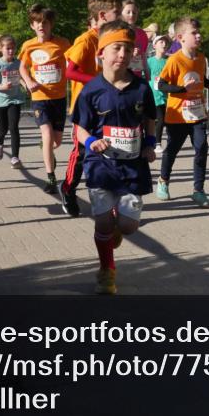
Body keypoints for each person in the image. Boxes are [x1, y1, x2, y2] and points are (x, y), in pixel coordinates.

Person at [71, 19, 157, 294]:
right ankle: (107, 270)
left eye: (128, 49)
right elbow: (79, 128)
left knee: (129, 227)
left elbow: (149, 120)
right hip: (101, 166)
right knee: (103, 221)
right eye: (117, 48)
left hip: (133, 166)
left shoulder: (142, 88)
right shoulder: (91, 90)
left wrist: (151, 142)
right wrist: (92, 141)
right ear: (102, 53)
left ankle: (118, 231)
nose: (123, 54)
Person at [60, 0, 120, 216]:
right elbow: (70, 72)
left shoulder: (111, 39)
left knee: (110, 151)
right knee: (83, 151)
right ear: (103, 15)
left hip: (107, 105)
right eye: (116, 13)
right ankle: (68, 188)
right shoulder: (86, 40)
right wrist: (98, 82)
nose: (120, 16)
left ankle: (111, 203)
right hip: (84, 107)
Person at [155, 16, 209, 207]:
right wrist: (182, 89)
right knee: (172, 151)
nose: (199, 36)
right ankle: (163, 181)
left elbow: (199, 78)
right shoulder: (175, 60)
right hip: (177, 116)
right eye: (194, 33)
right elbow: (161, 85)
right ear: (181, 37)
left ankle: (198, 191)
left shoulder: (201, 58)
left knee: (201, 148)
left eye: (199, 32)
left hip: (198, 114)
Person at [18, 4, 71, 195]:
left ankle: (46, 148)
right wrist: (29, 81)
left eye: (45, 22)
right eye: (37, 22)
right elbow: (22, 67)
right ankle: (50, 177)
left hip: (59, 97)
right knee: (47, 134)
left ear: (51, 25)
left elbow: (72, 62)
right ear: (32, 25)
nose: (42, 26)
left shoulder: (63, 43)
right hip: (40, 97)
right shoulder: (28, 45)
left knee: (56, 142)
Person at [0, 34, 25, 168]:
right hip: (0, 101)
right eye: (8, 48)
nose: (11, 51)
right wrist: (2, 87)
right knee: (3, 128)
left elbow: (20, 76)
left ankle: (15, 157)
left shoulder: (18, 63)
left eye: (13, 48)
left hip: (15, 99)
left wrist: (24, 83)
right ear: (1, 49)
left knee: (14, 127)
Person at [146, 33, 170, 151]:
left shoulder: (169, 61)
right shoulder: (149, 61)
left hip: (164, 96)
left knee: (162, 120)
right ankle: (152, 142)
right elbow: (145, 77)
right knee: (151, 120)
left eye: (166, 42)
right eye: (161, 42)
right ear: (154, 45)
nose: (164, 44)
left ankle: (158, 143)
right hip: (151, 95)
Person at [120, 0, 149, 77]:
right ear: (121, 13)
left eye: (134, 12)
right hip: (121, 74)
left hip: (136, 75)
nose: (131, 15)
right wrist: (130, 53)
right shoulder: (117, 32)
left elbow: (143, 55)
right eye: (128, 12)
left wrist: (146, 71)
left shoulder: (142, 34)